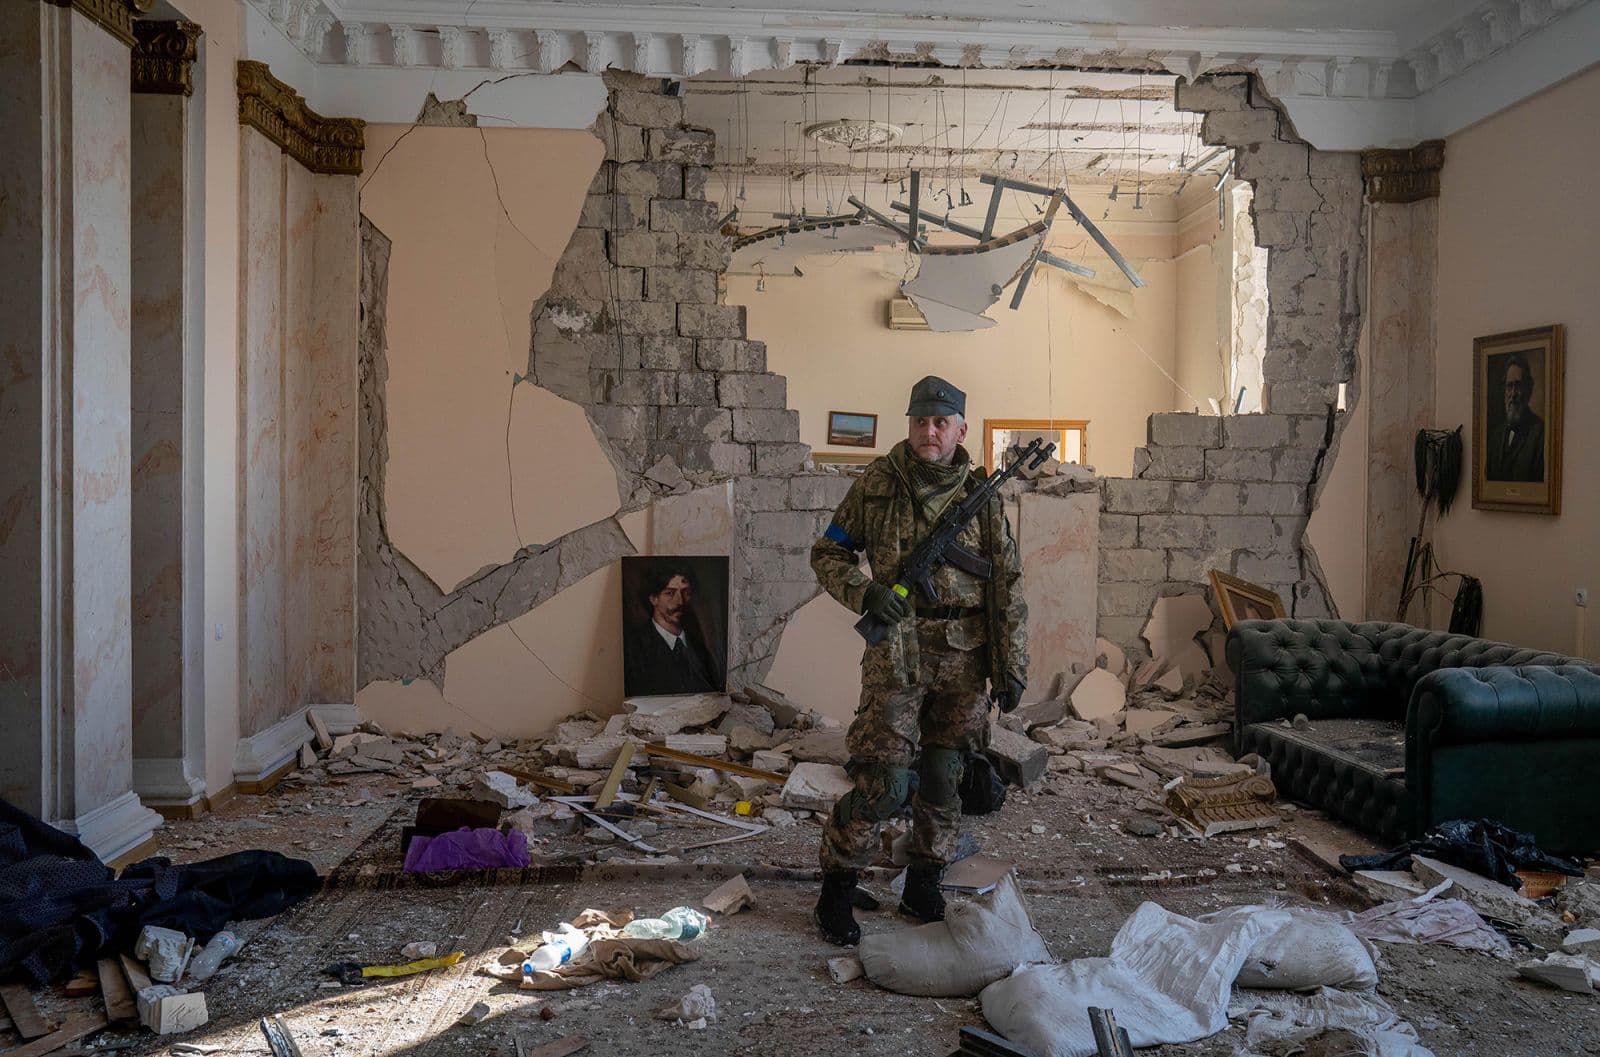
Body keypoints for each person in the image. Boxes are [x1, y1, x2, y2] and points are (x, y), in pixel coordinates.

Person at [808, 375, 1028, 945]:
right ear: (909, 424)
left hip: (965, 656)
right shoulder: (877, 483)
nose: (929, 432)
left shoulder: (982, 494)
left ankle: (924, 883)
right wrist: (865, 593)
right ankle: (836, 885)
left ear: (959, 428)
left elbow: (1006, 582)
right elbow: (828, 552)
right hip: (898, 654)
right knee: (885, 781)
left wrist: (1011, 663)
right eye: (920, 422)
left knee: (945, 776)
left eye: (941, 423)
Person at [623, 564, 720, 696]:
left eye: (686, 592)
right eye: (670, 593)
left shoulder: (698, 645)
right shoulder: (634, 648)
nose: (680, 601)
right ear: (653, 598)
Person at [1484, 352, 1544, 482]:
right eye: (1509, 386)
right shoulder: (1495, 437)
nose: (1513, 394)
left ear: (1528, 389)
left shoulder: (1540, 434)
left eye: (1518, 386)